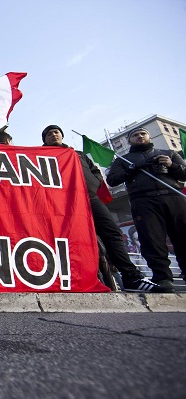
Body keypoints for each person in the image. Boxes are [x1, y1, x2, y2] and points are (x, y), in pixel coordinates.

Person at [41, 124, 171, 293]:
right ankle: (76, 279)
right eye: (49, 133)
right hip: (63, 202)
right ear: (44, 139)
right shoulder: (42, 155)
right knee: (70, 239)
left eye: (56, 132)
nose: (54, 135)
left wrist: (93, 185)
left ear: (62, 135)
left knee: (112, 233)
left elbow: (95, 172)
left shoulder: (78, 155)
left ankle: (132, 277)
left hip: (89, 198)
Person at [106, 127, 186, 291]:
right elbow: (112, 179)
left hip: (173, 196)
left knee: (183, 237)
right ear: (129, 141)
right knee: (152, 240)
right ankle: (163, 278)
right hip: (143, 200)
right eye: (135, 135)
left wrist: (172, 166)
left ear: (148, 136)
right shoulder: (124, 160)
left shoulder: (168, 153)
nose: (140, 136)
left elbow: (184, 174)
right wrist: (133, 168)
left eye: (143, 133)